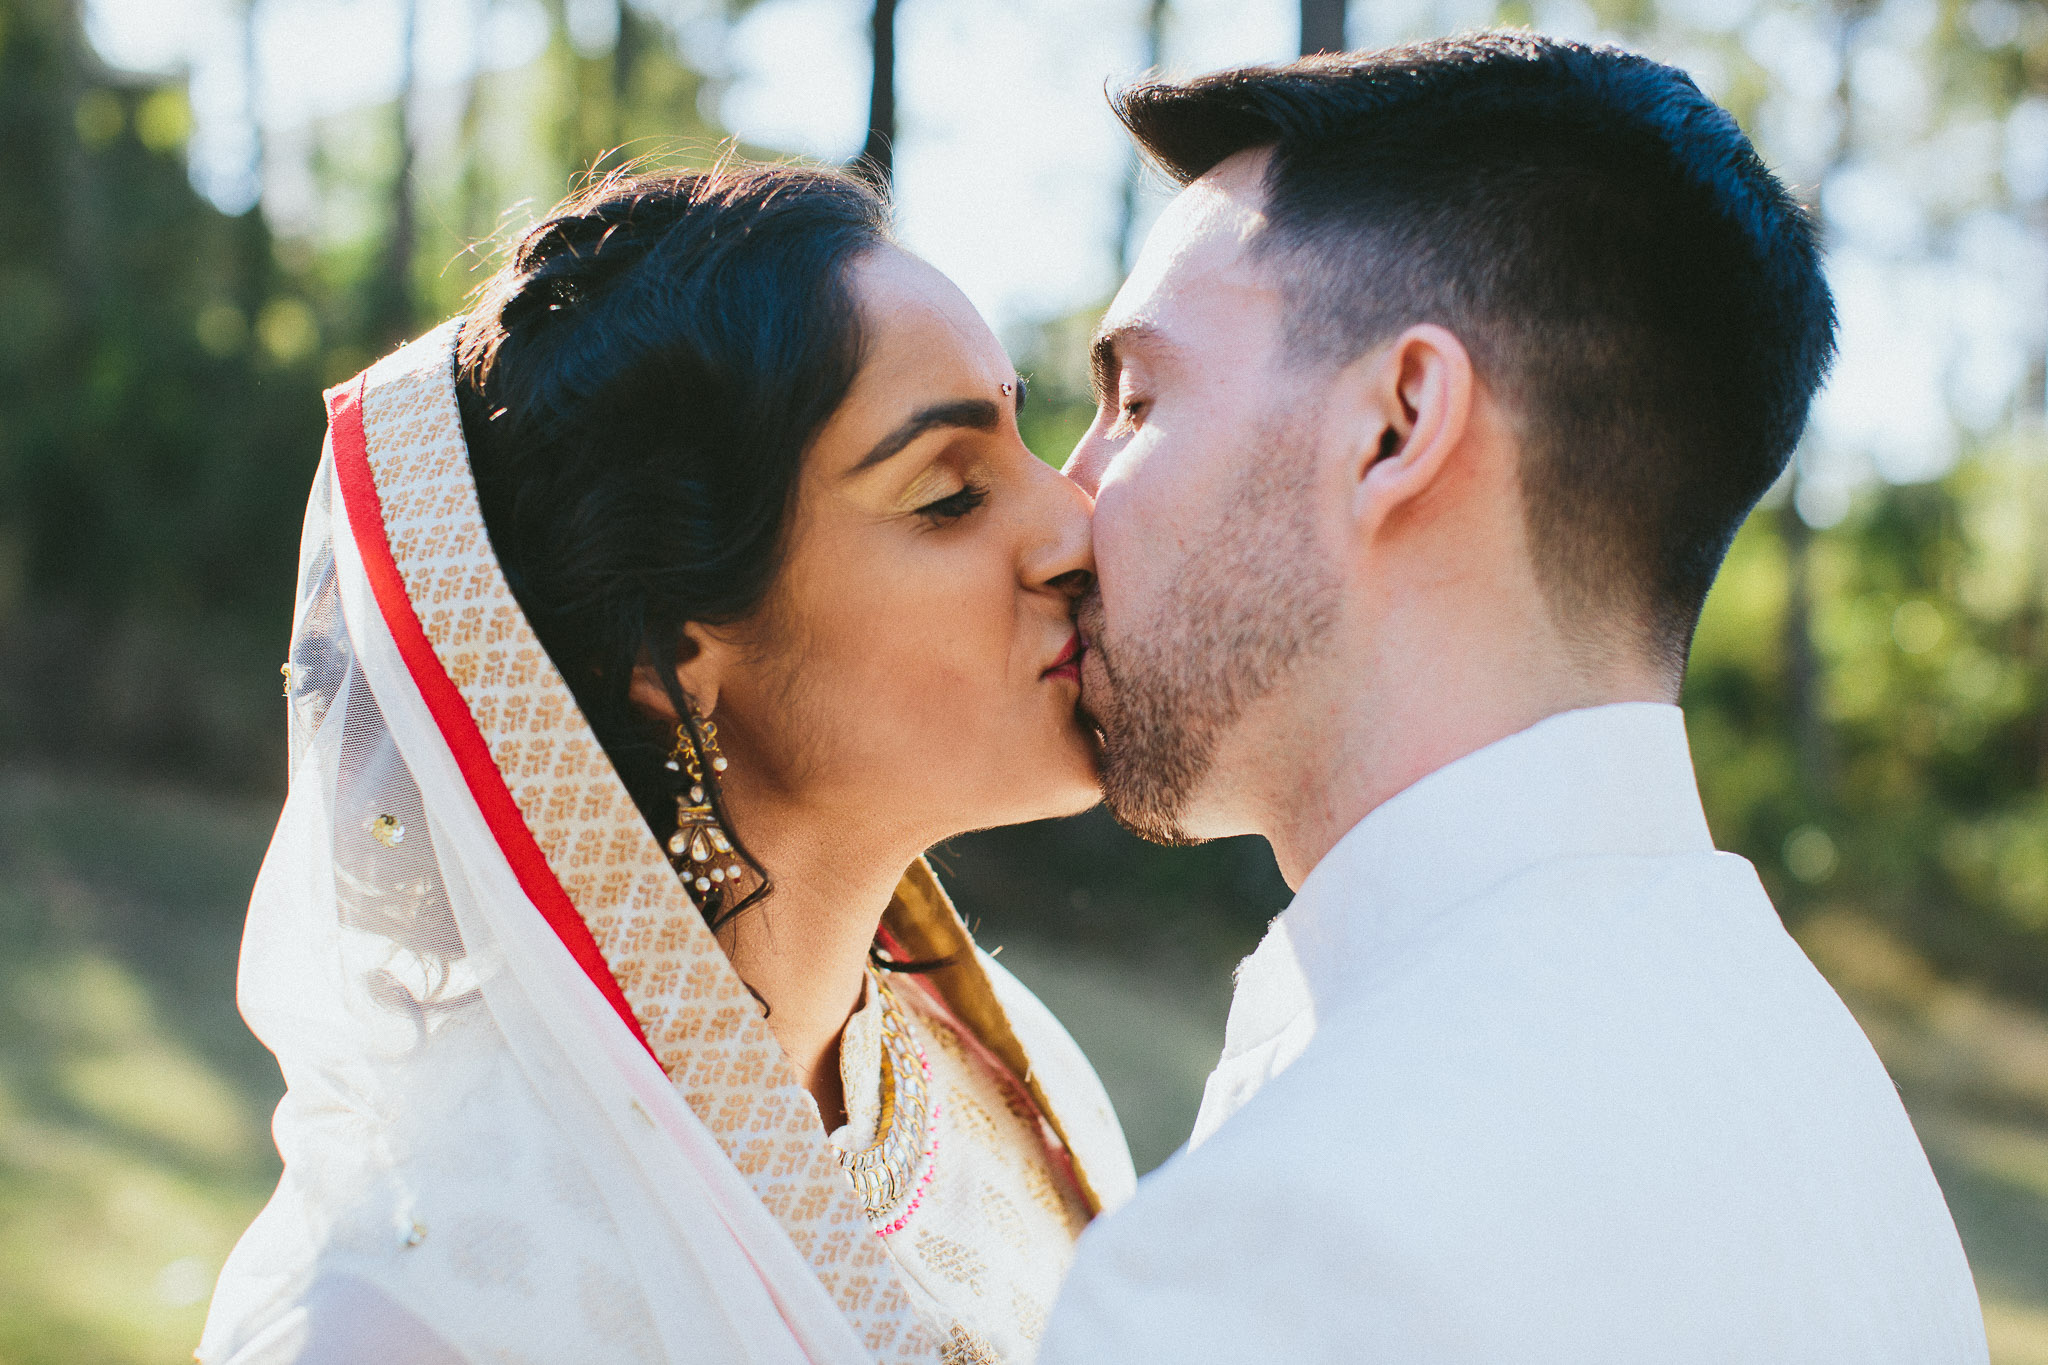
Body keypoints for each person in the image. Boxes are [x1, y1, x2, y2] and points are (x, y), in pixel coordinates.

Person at [1039, 34, 1988, 1364]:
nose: (1066, 500)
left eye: (1137, 399)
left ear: (1396, 425)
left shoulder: (1284, 1242)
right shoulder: (1823, 1102)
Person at [198, 163, 1133, 1365]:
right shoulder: (421, 1299)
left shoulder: (1017, 1096)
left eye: (1023, 445)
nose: (1071, 529)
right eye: (950, 495)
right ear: (669, 650)